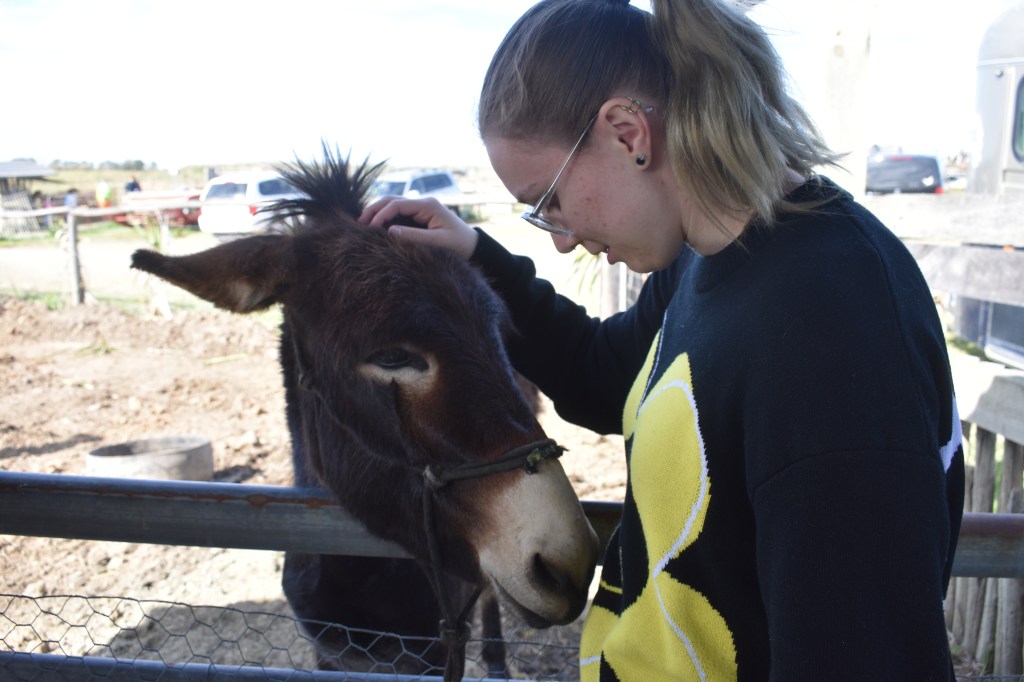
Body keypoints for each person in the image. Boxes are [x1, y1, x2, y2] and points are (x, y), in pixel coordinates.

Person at [362, 0, 965, 679]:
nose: (560, 238)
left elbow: (862, 655)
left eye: (550, 199)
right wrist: (477, 257)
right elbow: (609, 373)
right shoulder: (705, 258)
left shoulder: (832, 321)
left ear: (627, 132)